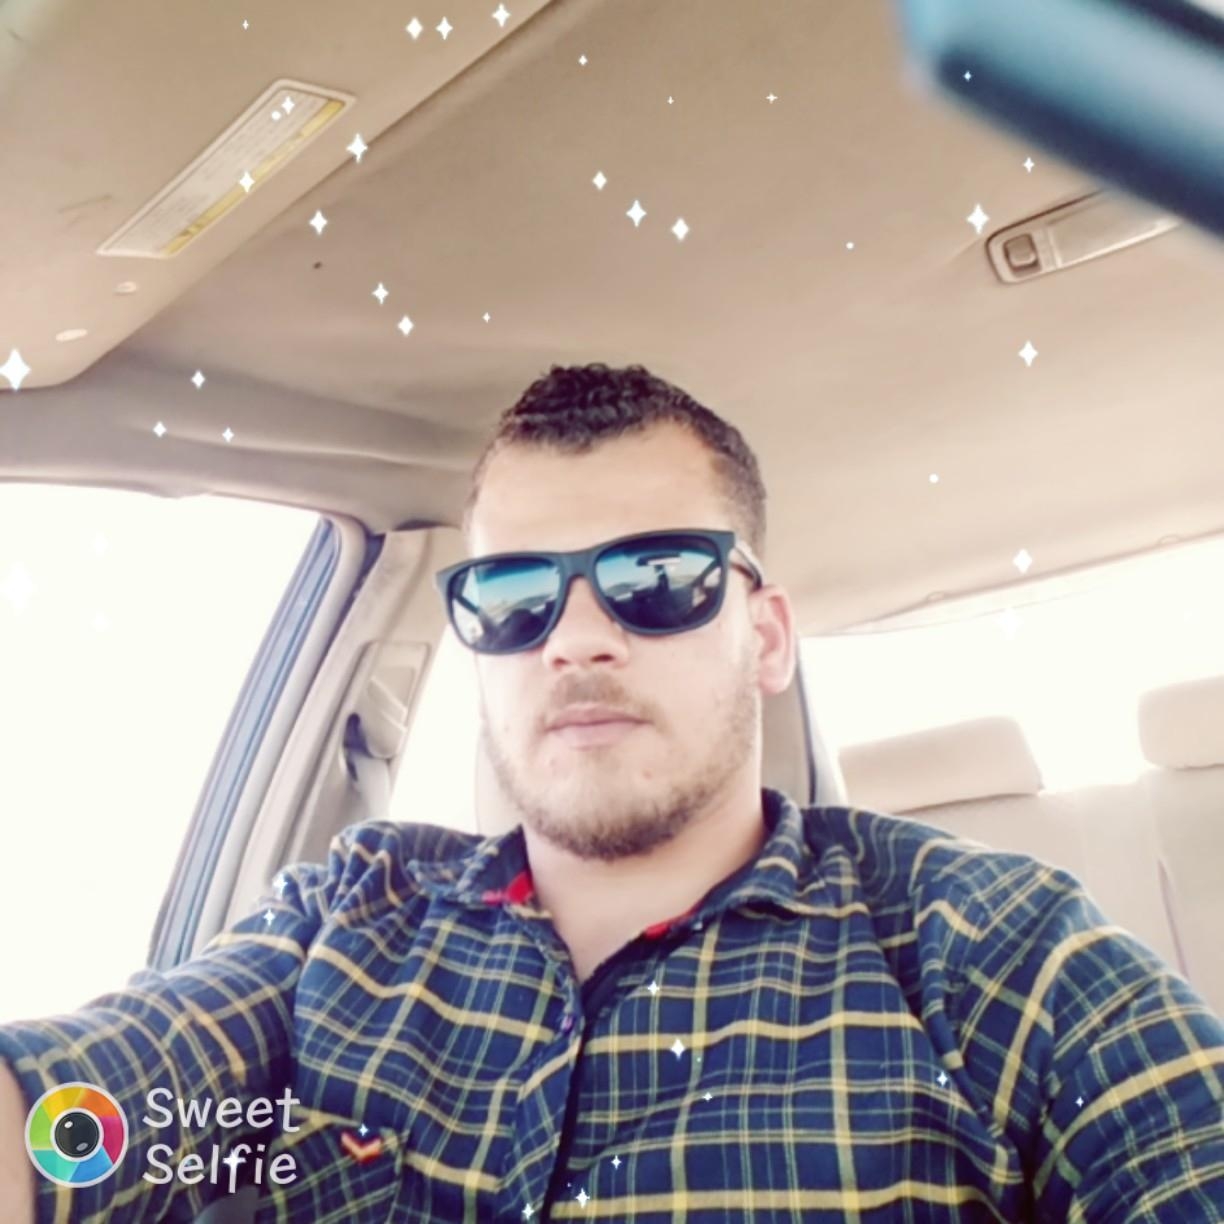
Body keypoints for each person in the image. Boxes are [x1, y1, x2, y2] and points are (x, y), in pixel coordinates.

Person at [2, 363, 1222, 1223]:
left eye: (657, 577)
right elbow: (80, 1119)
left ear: (766, 637)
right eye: (514, 596)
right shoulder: (349, 919)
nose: (576, 639)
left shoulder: (989, 950)